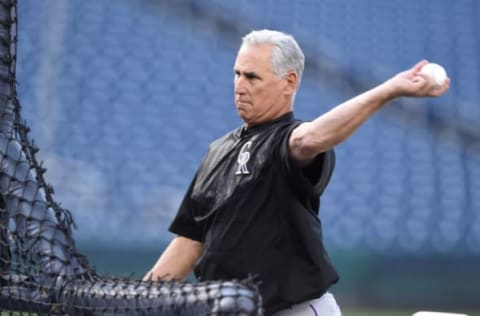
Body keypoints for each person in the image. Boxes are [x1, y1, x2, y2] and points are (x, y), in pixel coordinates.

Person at [144, 29, 449, 315]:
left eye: (252, 77)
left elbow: (310, 138)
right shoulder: (217, 151)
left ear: (289, 82)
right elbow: (191, 240)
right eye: (237, 73)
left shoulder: (286, 140)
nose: (239, 85)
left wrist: (388, 90)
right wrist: (145, 297)